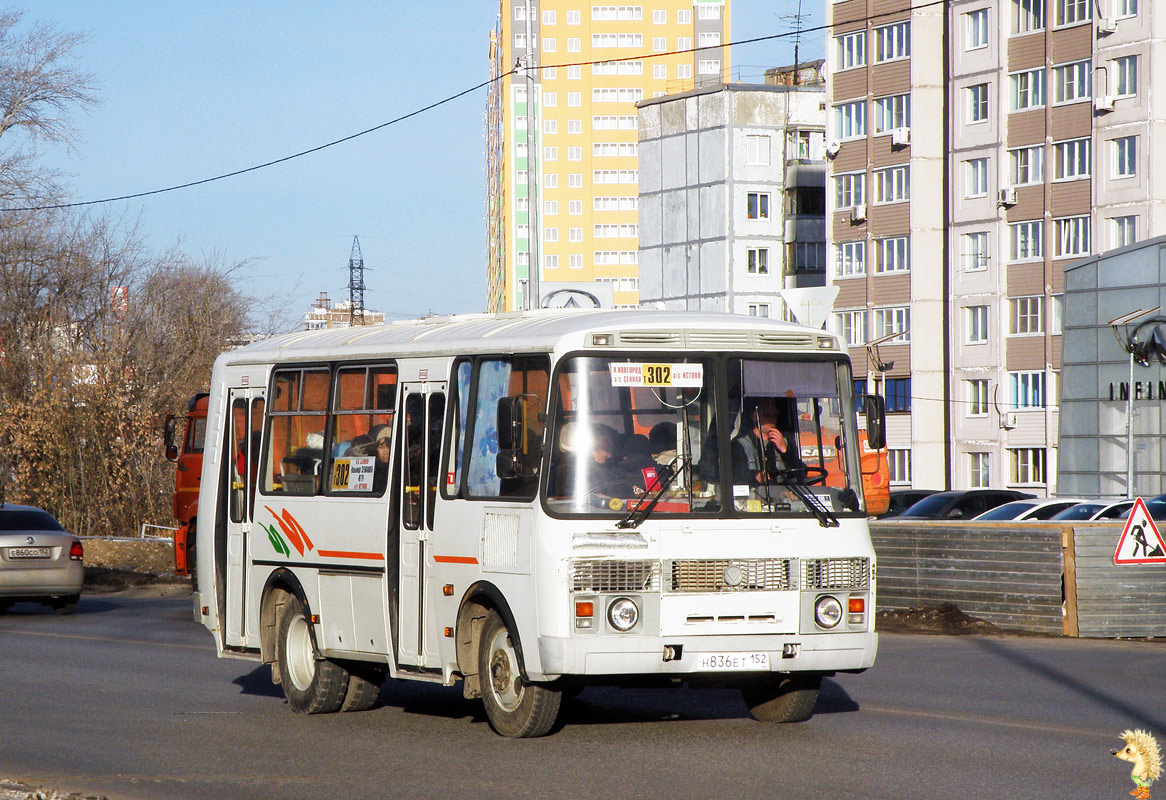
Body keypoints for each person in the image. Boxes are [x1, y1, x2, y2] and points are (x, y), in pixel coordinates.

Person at [732, 398, 804, 487]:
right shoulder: (740, 444)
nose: (772, 419)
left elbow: (802, 474)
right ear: (754, 416)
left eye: (774, 415)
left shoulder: (785, 442)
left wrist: (785, 451)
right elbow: (734, 475)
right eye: (767, 415)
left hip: (783, 495)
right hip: (754, 497)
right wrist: (755, 476)